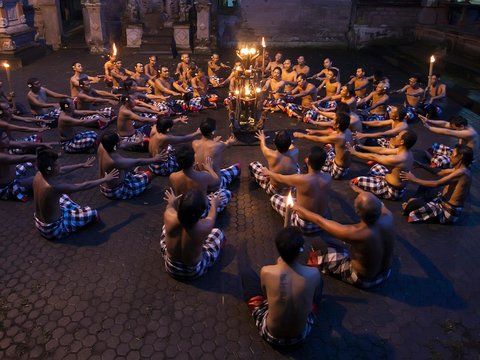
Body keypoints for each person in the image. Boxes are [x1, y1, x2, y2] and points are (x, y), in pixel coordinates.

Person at [294, 188, 394, 288]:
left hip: (364, 279)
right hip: (386, 273)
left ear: (358, 212)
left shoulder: (355, 232)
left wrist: (298, 207)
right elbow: (376, 203)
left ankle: (321, 268)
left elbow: (320, 221)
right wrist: (360, 191)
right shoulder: (389, 216)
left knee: (318, 244)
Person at [246, 227, 322, 346]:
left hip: (271, 335)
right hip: (300, 335)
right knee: (318, 284)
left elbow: (265, 295)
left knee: (247, 276)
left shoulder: (266, 271)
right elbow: (314, 296)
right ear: (300, 251)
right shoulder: (313, 274)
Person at [33, 149, 118, 240]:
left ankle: (74, 214)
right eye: (57, 165)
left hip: (39, 224)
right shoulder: (54, 187)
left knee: (63, 196)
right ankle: (74, 224)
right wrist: (105, 179)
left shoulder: (38, 175)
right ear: (48, 170)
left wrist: (81, 165)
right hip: (53, 230)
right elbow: (83, 186)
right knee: (93, 213)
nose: (60, 166)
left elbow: (61, 170)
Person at [261, 146, 332, 234]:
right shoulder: (328, 177)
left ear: (307, 161)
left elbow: (280, 178)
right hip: (323, 223)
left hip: (305, 225)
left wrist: (268, 172)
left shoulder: (301, 179)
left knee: (274, 198)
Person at [160, 188, 225, 280]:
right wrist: (214, 204)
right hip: (193, 272)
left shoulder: (168, 216)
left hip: (171, 267)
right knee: (218, 233)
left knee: (165, 227)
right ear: (201, 212)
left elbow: (169, 207)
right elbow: (212, 216)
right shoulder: (204, 226)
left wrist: (172, 202)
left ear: (180, 206)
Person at [400, 144, 473, 224]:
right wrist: (422, 165)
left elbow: (437, 183)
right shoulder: (461, 169)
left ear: (460, 157)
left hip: (448, 211)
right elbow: (440, 172)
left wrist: (414, 179)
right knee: (425, 187)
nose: (450, 157)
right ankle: (417, 202)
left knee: (413, 204)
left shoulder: (461, 173)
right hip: (443, 201)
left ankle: (414, 204)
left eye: (453, 155)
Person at [349, 129, 417, 200]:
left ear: (402, 142)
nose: (396, 136)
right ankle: (375, 181)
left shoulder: (399, 158)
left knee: (354, 182)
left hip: (391, 189)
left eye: (398, 136)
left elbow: (374, 157)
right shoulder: (406, 151)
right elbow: (381, 150)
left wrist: (354, 153)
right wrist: (361, 146)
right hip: (391, 181)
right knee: (377, 167)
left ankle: (368, 197)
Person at [97, 133, 166, 199]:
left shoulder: (102, 145)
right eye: (119, 140)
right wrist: (155, 159)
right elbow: (138, 161)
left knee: (129, 168)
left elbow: (122, 145)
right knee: (147, 175)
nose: (121, 140)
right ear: (116, 145)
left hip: (104, 184)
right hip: (115, 191)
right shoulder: (116, 160)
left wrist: (137, 143)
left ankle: (133, 176)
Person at [169, 144, 232, 213]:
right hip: (201, 211)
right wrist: (210, 169)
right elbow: (217, 181)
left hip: (183, 211)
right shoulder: (203, 176)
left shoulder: (173, 176)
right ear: (193, 160)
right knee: (227, 193)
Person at [294, 112, 352, 179]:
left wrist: (303, 136)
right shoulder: (347, 131)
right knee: (328, 146)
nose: (332, 121)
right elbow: (331, 132)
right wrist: (315, 131)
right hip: (341, 164)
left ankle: (310, 175)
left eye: (334, 120)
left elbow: (318, 139)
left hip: (337, 171)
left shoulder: (339, 137)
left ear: (338, 125)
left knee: (309, 161)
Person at [192, 117, 240, 191]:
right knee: (237, 167)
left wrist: (213, 141)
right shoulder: (218, 145)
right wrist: (231, 141)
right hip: (215, 182)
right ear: (213, 132)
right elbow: (227, 144)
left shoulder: (194, 143)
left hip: (200, 181)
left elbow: (206, 145)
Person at [249, 130, 299, 195]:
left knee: (253, 164)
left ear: (275, 143)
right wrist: (285, 139)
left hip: (276, 190)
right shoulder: (295, 151)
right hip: (292, 187)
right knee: (296, 165)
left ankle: (266, 184)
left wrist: (262, 139)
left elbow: (263, 146)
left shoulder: (270, 154)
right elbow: (290, 144)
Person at [0, 129, 41, 201]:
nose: (7, 140)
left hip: (14, 176)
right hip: (8, 186)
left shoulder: (4, 145)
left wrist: (43, 144)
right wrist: (43, 156)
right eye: (3, 138)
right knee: (39, 180)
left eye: (6, 137)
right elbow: (22, 158)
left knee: (30, 165)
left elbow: (22, 144)